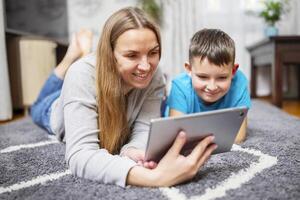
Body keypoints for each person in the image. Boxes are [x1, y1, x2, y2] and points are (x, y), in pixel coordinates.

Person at [30, 7, 217, 187]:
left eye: (153, 52)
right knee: (36, 106)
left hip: (87, 87)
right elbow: (80, 155)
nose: (146, 67)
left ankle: (83, 56)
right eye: (132, 55)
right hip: (53, 109)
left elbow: (144, 128)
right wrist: (154, 178)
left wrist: (132, 152)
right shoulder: (80, 75)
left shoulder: (155, 75)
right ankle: (70, 59)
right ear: (110, 55)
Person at [166, 28, 251, 144]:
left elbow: (239, 137)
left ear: (233, 71)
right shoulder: (180, 86)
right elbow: (176, 138)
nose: (212, 87)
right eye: (203, 77)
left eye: (221, 78)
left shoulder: (239, 82)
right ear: (189, 69)